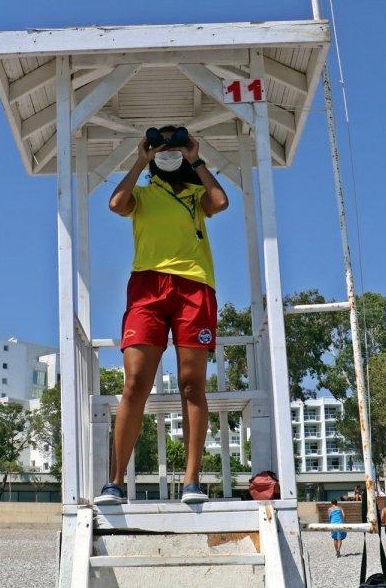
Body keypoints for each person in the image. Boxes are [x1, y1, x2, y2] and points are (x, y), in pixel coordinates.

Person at [94, 126, 229, 506]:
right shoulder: (141, 195)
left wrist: (195, 159)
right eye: (161, 145)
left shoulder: (196, 195)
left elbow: (220, 202)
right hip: (147, 286)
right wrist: (141, 159)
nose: (168, 151)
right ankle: (115, 483)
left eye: (175, 145)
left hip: (195, 287)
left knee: (192, 384)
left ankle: (191, 481)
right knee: (135, 382)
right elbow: (115, 204)